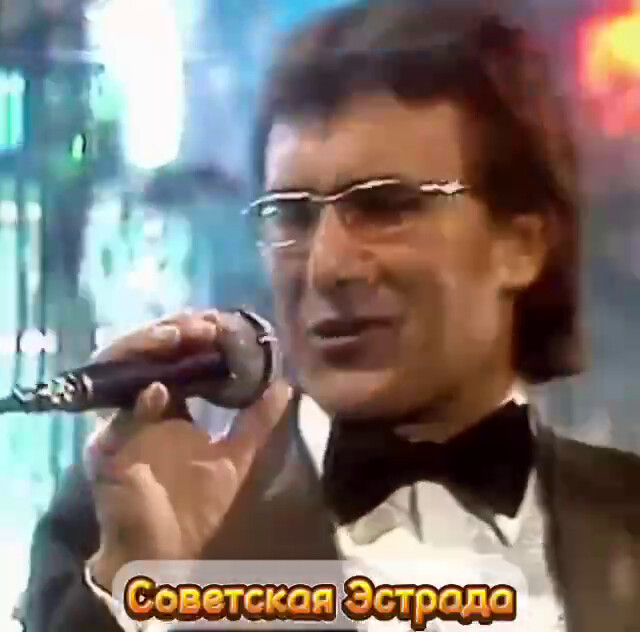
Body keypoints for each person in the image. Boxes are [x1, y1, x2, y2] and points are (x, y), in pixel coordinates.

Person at [20, 1, 640, 631]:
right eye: (291, 215)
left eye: (386, 207)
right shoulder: (118, 524)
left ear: (521, 245)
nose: (326, 267)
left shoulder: (626, 521)